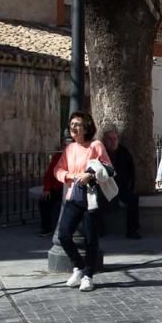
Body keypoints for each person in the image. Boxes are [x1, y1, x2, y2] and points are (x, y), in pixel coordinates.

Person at [56, 111, 114, 292]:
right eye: (71, 124)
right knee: (64, 235)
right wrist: (69, 176)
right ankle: (78, 267)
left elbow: (110, 169)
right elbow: (58, 169)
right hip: (74, 196)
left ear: (87, 127)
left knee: (91, 238)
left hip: (91, 197)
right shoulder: (70, 148)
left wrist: (89, 175)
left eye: (77, 124)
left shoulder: (96, 146)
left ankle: (88, 275)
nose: (73, 127)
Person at [101, 125, 140, 239]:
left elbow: (131, 171)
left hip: (120, 187)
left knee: (133, 199)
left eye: (115, 139)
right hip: (104, 187)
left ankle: (132, 230)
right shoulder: (101, 152)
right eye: (110, 139)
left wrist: (130, 186)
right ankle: (98, 229)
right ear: (105, 140)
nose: (113, 142)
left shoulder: (124, 152)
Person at [38, 149, 64, 237]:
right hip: (58, 187)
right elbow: (49, 174)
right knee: (44, 200)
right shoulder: (58, 156)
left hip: (69, 185)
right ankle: (47, 227)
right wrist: (47, 189)